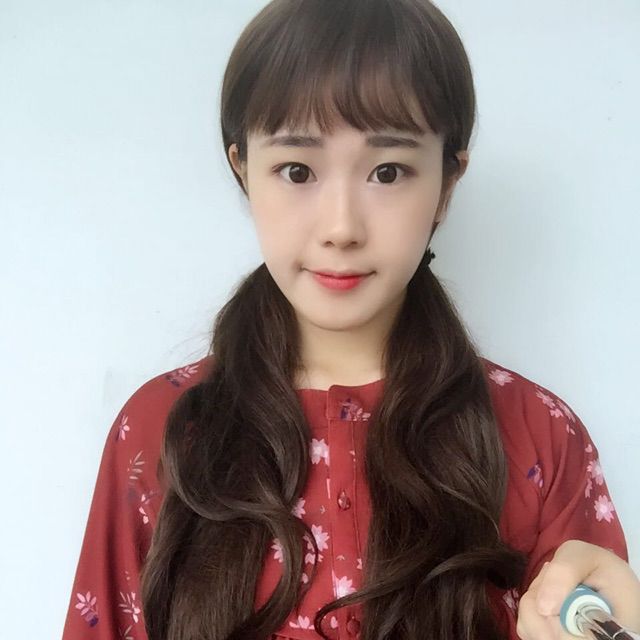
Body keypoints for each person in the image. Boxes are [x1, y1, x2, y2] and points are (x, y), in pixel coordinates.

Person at [60, 1, 639, 639]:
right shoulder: (162, 432)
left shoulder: (539, 435)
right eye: (297, 171)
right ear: (243, 171)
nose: (341, 227)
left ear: (446, 184)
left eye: (388, 172)